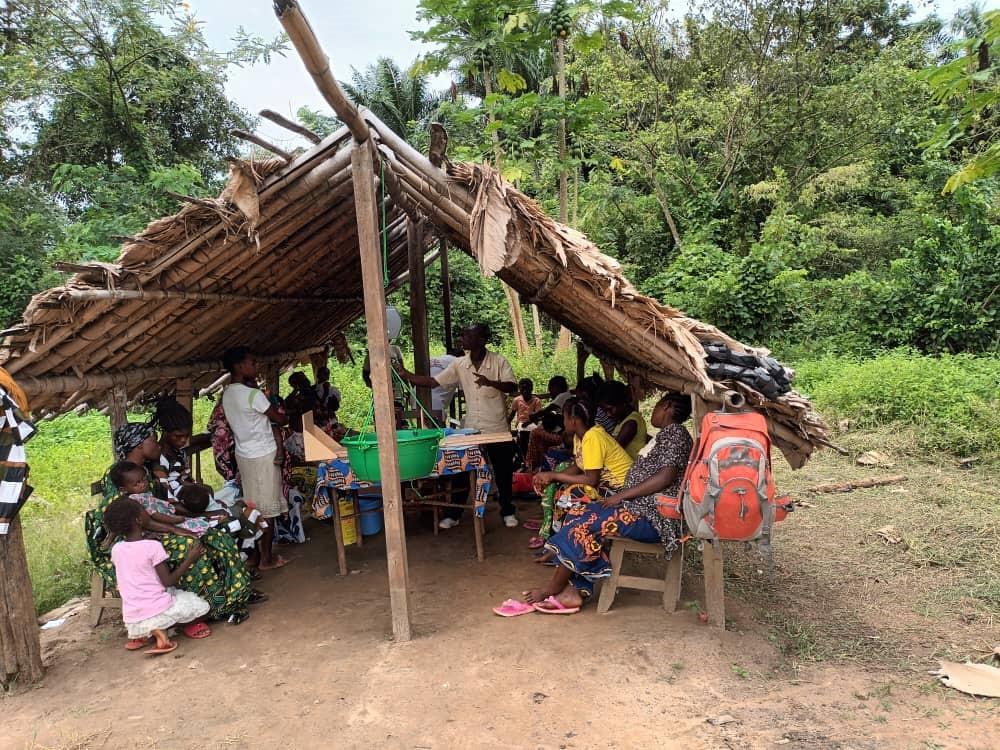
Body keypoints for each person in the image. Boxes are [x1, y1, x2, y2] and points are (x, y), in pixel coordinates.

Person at [523, 393, 693, 614]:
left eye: (658, 405)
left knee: (585, 523)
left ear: (668, 406)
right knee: (577, 512)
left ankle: (552, 589)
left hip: (654, 516)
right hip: (638, 507)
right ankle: (577, 589)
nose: (654, 410)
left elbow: (665, 477)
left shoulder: (676, 433)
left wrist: (622, 496)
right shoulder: (667, 435)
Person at [84, 422, 253, 625]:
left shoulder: (146, 472)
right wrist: (177, 529)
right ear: (139, 445)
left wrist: (197, 516)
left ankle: (235, 594)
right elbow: (119, 516)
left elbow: (162, 506)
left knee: (218, 535)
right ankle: (203, 610)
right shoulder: (119, 475)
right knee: (190, 546)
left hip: (157, 528)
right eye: (153, 440)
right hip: (133, 538)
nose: (158, 445)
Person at [400, 323, 520, 529]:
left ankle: (507, 511)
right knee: (462, 470)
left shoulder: (499, 361)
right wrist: (407, 375)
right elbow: (433, 382)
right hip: (472, 427)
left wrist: (491, 382)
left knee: (503, 472)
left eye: (467, 335)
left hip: (497, 429)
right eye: (463, 335)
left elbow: (512, 386)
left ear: (481, 340)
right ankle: (454, 514)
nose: (462, 338)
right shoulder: (460, 364)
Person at [104, 497, 211, 655]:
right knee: (202, 608)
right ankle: (165, 631)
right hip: (158, 607)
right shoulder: (153, 547)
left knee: (167, 598)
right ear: (139, 520)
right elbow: (169, 581)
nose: (148, 512)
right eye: (144, 510)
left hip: (133, 616)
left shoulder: (117, 549)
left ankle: (144, 635)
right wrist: (190, 559)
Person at [221, 346, 290, 571]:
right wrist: (283, 412)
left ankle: (255, 553)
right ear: (240, 366)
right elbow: (279, 419)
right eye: (252, 362)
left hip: (244, 455)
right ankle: (266, 559)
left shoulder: (228, 394)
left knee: (253, 506)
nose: (256, 366)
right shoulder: (254, 395)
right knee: (267, 510)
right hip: (263, 454)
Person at [533, 398, 634, 534]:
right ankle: (562, 538)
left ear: (573, 420)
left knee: (569, 497)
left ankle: (564, 539)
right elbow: (578, 466)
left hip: (622, 489)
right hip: (607, 485)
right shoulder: (579, 437)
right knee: (560, 488)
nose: (563, 422)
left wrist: (554, 475)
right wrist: (553, 478)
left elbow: (592, 480)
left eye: (565, 418)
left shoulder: (593, 437)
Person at [150, 398, 195, 500]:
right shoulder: (159, 458)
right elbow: (167, 497)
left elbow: (185, 479)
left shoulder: (178, 453)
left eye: (186, 436)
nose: (183, 440)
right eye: (178, 436)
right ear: (165, 432)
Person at [598, 381, 648, 459]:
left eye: (610, 409)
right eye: (605, 411)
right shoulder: (622, 420)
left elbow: (612, 452)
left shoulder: (630, 424)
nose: (608, 414)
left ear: (623, 403)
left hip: (633, 468)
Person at [508, 378, 543, 456]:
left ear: (531, 389)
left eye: (527, 388)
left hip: (532, 423)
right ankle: (523, 456)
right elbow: (512, 415)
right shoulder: (517, 400)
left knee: (534, 435)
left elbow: (538, 416)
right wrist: (507, 426)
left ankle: (532, 455)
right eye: (522, 389)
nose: (525, 391)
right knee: (522, 435)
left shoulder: (536, 400)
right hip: (521, 423)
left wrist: (528, 423)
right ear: (520, 389)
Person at [429, 348, 462, 425]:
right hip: (436, 405)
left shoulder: (436, 358)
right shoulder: (459, 363)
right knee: (439, 433)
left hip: (416, 400)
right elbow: (464, 389)